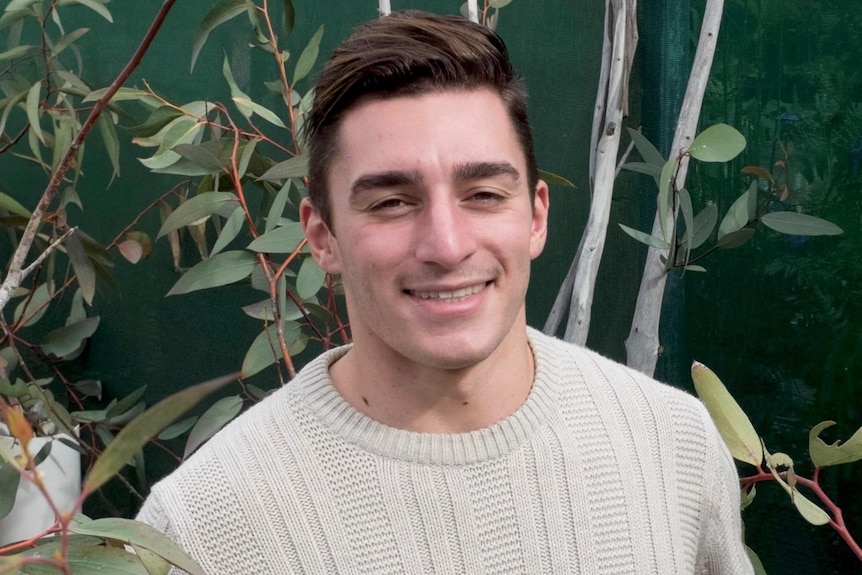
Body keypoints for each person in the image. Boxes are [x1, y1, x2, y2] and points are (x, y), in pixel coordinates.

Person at [136, 10, 753, 574]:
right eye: (391, 202)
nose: (447, 244)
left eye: (484, 194)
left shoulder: (673, 448)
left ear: (536, 217)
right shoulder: (199, 530)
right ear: (322, 238)